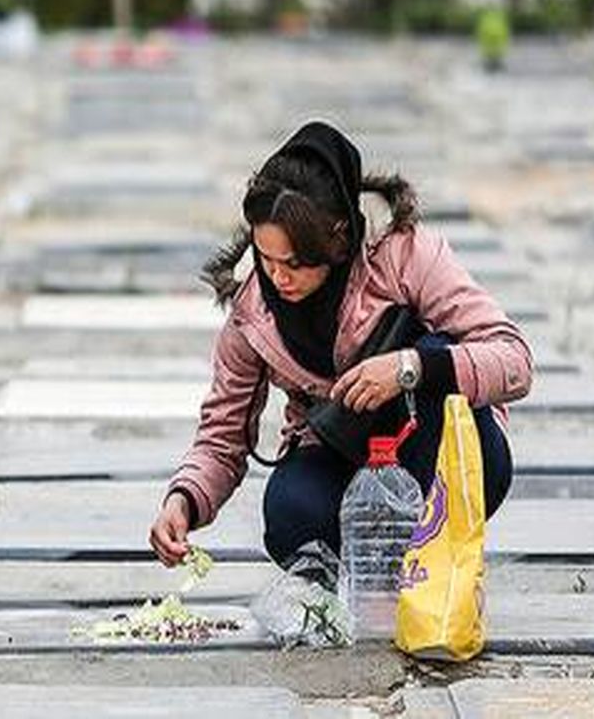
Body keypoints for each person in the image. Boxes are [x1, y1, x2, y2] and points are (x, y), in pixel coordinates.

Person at [148, 120, 533, 570]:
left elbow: (515, 360)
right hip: (336, 451)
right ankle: (375, 564)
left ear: (339, 237)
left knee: (441, 360)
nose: (278, 278)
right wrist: (183, 501)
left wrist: (410, 367)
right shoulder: (252, 311)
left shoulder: (403, 254)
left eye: (294, 262)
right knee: (291, 517)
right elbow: (222, 436)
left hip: (426, 440)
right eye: (265, 258)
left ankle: (434, 549)